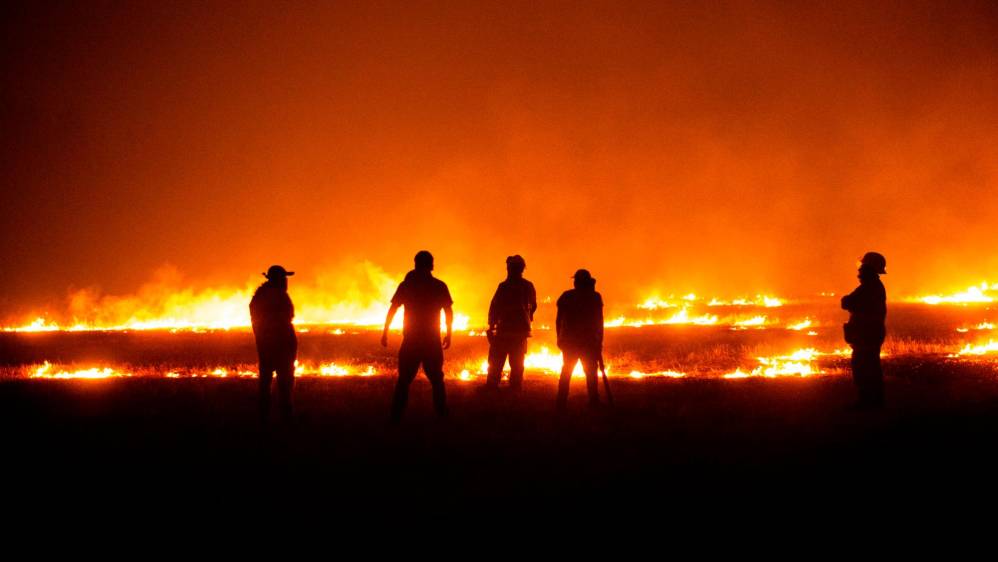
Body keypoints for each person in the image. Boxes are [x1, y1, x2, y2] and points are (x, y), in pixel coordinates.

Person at [382, 250, 454, 423]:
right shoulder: (439, 286)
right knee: (437, 379)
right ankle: (442, 416)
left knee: (404, 380)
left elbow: (393, 309)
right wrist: (449, 333)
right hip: (431, 340)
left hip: (412, 340)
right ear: (431, 265)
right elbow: (448, 311)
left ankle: (395, 418)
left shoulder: (407, 285)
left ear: (415, 263)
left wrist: (385, 331)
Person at [249, 265, 298, 424]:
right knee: (285, 384)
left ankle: (263, 418)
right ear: (278, 280)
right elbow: (288, 317)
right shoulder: (279, 297)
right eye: (283, 278)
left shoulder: (259, 297)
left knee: (265, 383)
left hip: (265, 347)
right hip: (281, 347)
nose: (286, 281)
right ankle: (286, 419)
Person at [484, 255, 538, 392]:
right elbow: (534, 305)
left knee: (497, 358)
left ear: (510, 269)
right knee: (517, 361)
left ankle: (492, 385)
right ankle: (515, 386)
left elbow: (495, 306)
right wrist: (528, 317)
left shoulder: (504, 287)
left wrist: (491, 325)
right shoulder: (528, 286)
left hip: (505, 330)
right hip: (520, 331)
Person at [841, 252, 888, 409]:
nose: (859, 271)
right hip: (870, 334)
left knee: (864, 368)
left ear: (868, 268)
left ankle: (868, 402)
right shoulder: (872, 286)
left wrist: (848, 301)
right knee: (870, 367)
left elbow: (847, 302)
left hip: (867, 335)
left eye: (862, 267)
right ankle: (873, 401)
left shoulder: (869, 287)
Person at [555, 269, 604, 410]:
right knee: (590, 372)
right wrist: (599, 341)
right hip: (588, 342)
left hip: (570, 342)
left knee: (567, 371)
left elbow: (558, 321)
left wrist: (559, 338)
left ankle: (561, 401)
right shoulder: (595, 297)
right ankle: (594, 401)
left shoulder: (567, 296)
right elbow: (599, 322)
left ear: (576, 282)